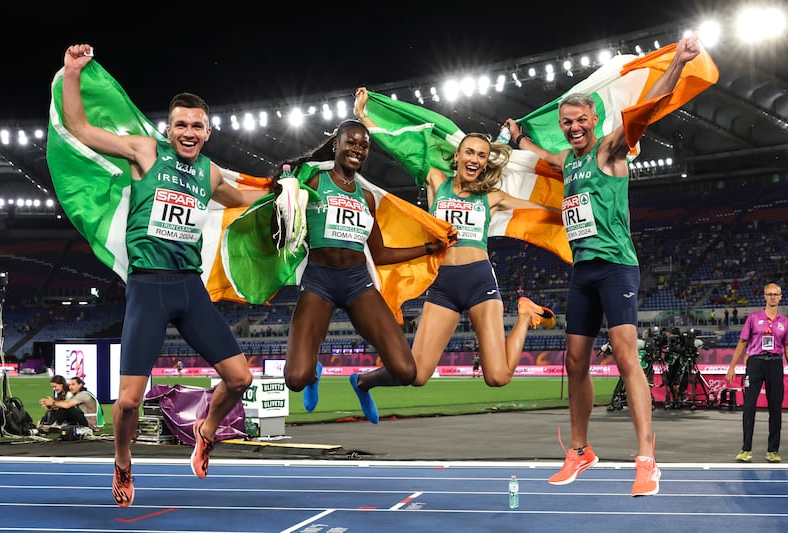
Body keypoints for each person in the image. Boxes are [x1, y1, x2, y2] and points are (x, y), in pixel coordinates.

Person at [61, 43, 271, 508]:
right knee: (129, 403)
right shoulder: (144, 152)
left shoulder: (211, 174)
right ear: (169, 127)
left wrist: (286, 193)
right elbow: (79, 128)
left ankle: (206, 429)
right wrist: (72, 73)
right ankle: (121, 460)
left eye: (197, 125)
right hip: (147, 289)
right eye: (181, 124)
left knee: (239, 380)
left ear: (208, 131)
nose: (189, 132)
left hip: (188, 288)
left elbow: (241, 199)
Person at [505, 34, 703, 496]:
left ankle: (647, 459)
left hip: (616, 267)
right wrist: (518, 138)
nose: (574, 127)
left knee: (626, 358)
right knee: (574, 361)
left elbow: (647, 109)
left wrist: (675, 63)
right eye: (567, 122)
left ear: (595, 118)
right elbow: (542, 154)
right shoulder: (568, 161)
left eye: (580, 120)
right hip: (583, 272)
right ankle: (579, 450)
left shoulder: (611, 149)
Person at [350, 89, 558, 419]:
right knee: (416, 375)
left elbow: (540, 210)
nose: (475, 159)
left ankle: (524, 313)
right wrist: (365, 117)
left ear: (485, 162)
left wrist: (575, 208)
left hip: (479, 284)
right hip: (444, 285)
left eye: (481, 155)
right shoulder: (436, 182)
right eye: (470, 153)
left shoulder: (493, 197)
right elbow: (402, 148)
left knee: (498, 377)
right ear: (457, 156)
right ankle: (362, 381)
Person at [278, 119, 449, 422]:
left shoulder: (366, 197)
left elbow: (380, 253)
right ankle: (313, 374)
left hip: (358, 283)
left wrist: (428, 249)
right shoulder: (315, 181)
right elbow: (285, 214)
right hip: (319, 281)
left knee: (406, 370)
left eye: (364, 146)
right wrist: (285, 191)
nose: (357, 149)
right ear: (336, 145)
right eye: (351, 142)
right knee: (295, 378)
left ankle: (363, 382)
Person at [725, 282, 787, 463]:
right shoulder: (753, 318)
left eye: (776, 294)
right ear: (764, 296)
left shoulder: (785, 322)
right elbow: (742, 343)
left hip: (775, 364)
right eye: (770, 294)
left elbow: (787, 347)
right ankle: (746, 449)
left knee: (775, 409)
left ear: (781, 297)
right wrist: (732, 366)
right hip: (755, 364)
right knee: (749, 407)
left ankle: (773, 451)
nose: (773, 297)